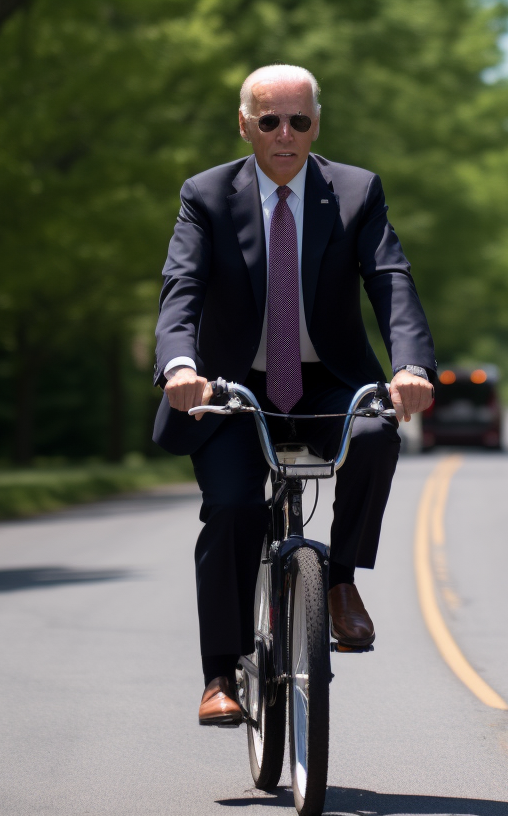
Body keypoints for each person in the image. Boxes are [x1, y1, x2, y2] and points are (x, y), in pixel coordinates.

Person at [152, 64, 437, 726]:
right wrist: (178, 365)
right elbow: (182, 287)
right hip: (229, 384)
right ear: (245, 125)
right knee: (230, 507)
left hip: (326, 378)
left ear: (316, 124)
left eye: (299, 121)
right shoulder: (207, 195)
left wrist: (412, 367)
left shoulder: (356, 190)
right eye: (269, 121)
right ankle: (219, 675)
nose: (285, 134)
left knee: (374, 434)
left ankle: (339, 584)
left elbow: (390, 279)